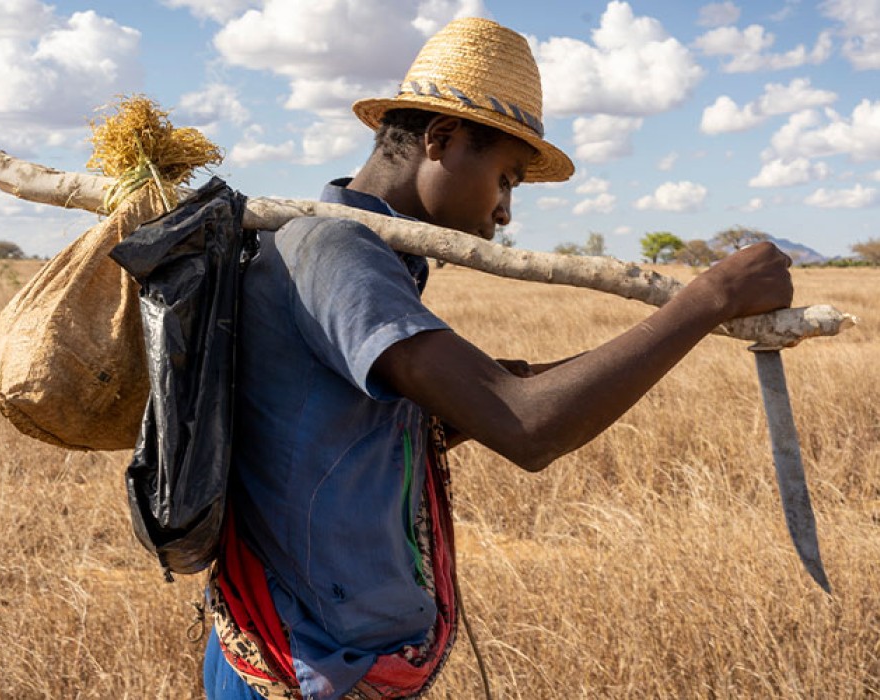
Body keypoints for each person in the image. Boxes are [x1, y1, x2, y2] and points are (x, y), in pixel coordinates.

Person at [202, 16, 793, 700]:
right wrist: (708, 298)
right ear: (442, 140)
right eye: (506, 178)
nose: (506, 212)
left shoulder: (372, 258)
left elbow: (475, 398)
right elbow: (524, 425)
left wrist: (678, 331)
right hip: (305, 666)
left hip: (328, 653)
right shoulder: (335, 251)